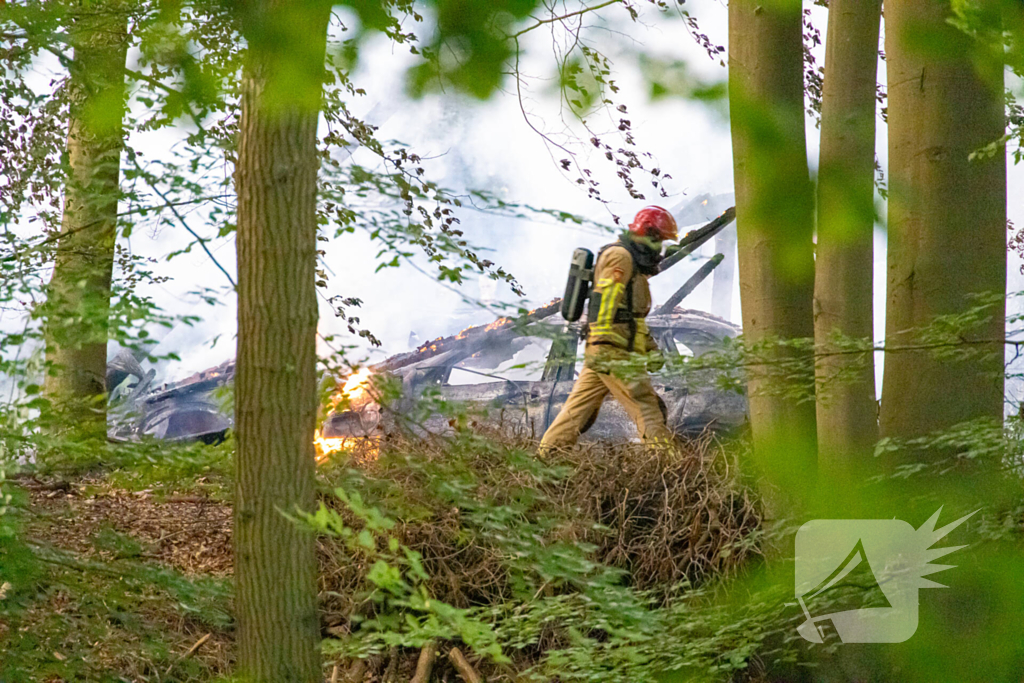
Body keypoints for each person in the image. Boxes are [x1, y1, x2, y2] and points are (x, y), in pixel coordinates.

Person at [539, 205, 678, 452]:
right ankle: (670, 465)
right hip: (614, 351)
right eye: (660, 241)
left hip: (609, 349)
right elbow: (605, 303)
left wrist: (651, 349)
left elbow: (632, 317)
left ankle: (545, 460)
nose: (660, 249)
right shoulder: (620, 257)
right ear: (650, 234)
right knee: (646, 407)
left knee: (576, 410)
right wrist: (604, 344)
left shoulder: (632, 262)